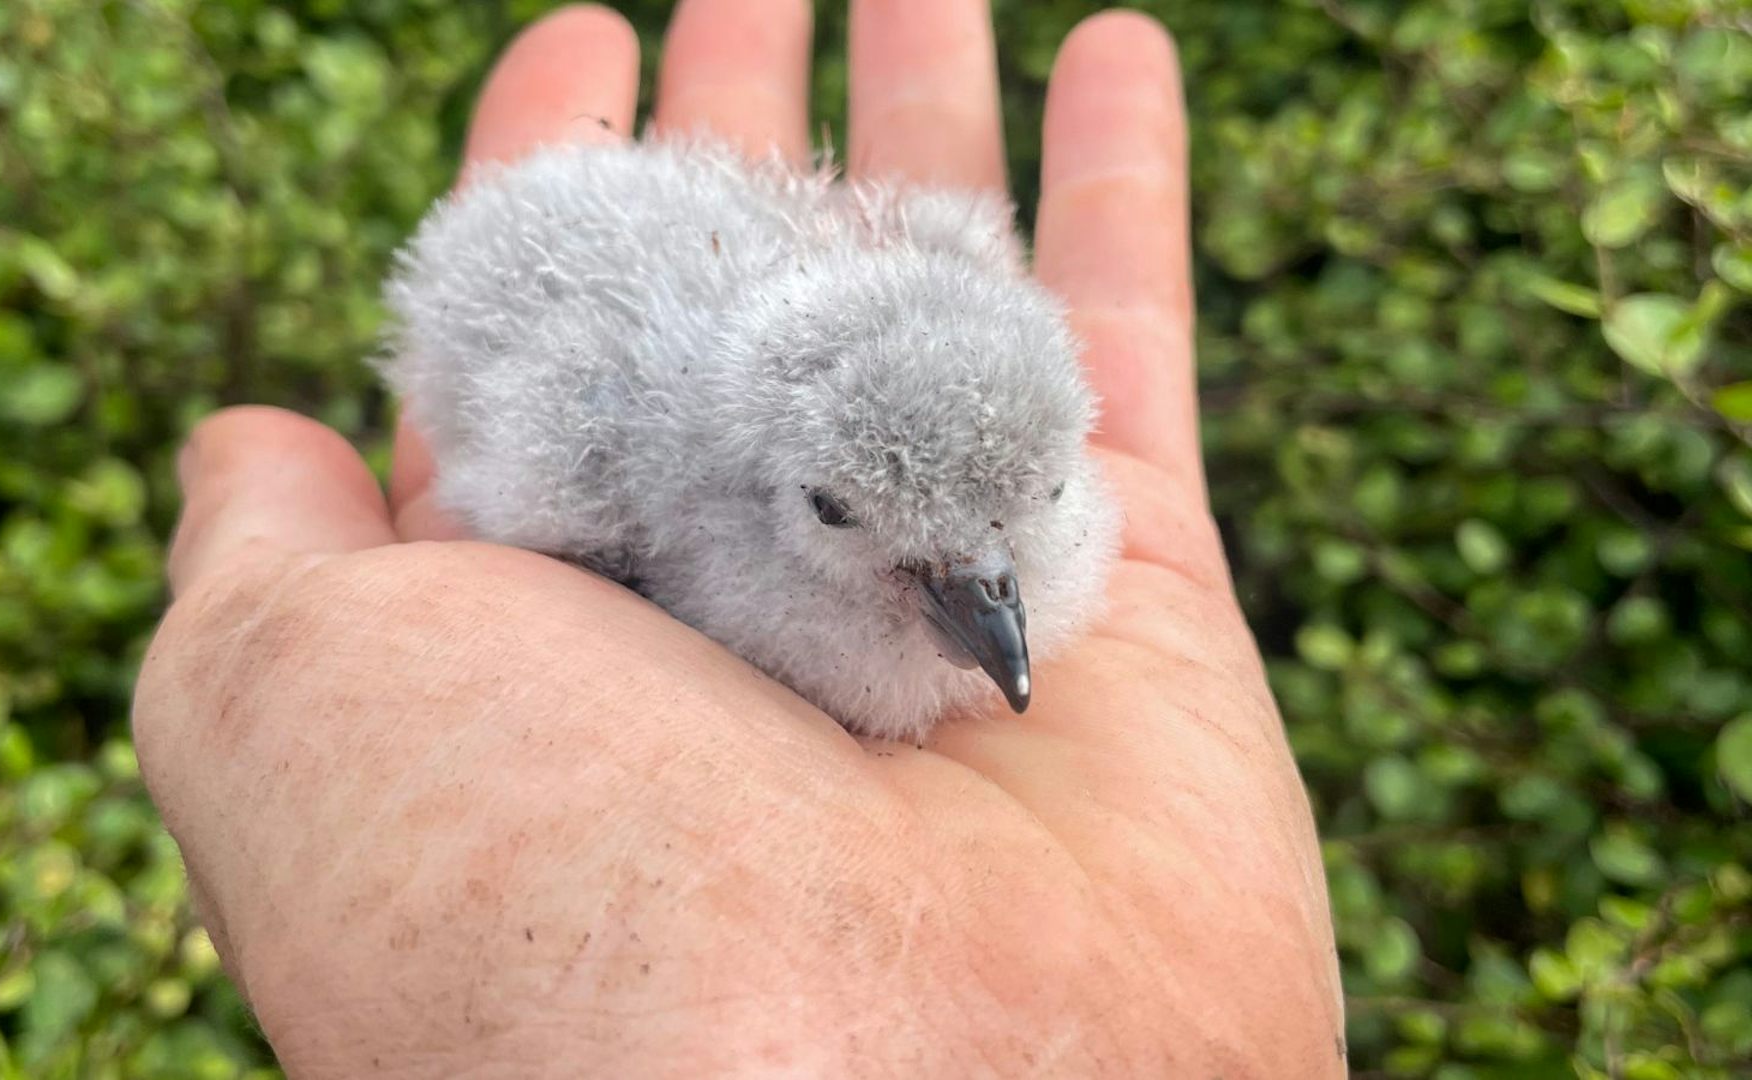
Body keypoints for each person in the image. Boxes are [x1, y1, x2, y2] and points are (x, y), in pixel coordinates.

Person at [132, 1, 1346, 1074]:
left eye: (1036, 512)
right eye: (845, 513)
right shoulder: (603, 456)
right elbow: (515, 440)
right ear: (774, 479)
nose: (989, 605)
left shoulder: (994, 463)